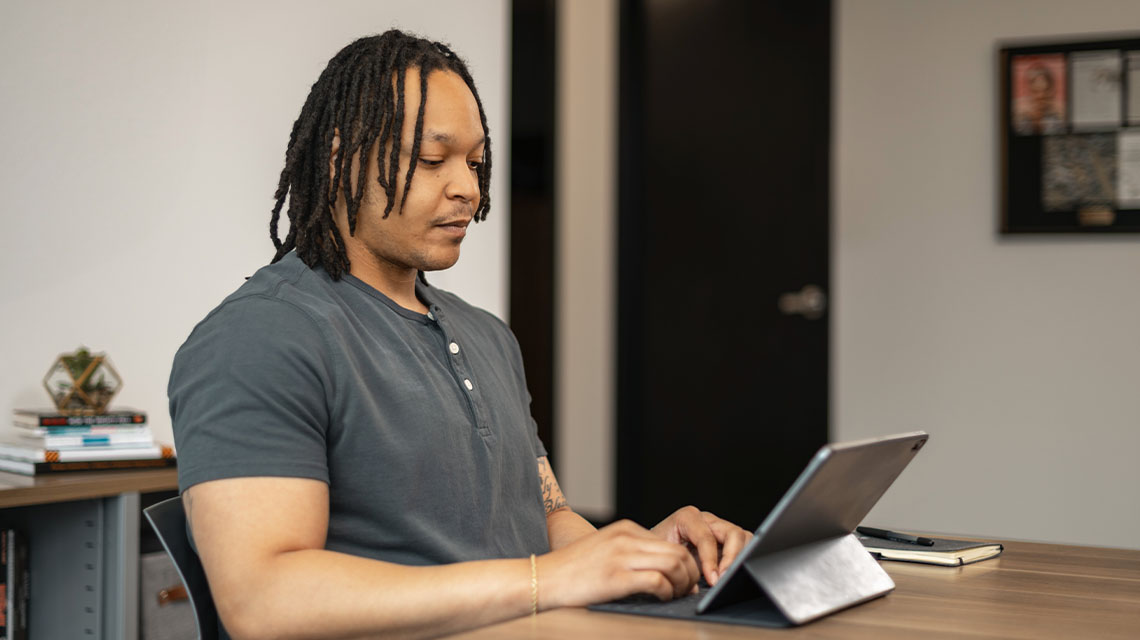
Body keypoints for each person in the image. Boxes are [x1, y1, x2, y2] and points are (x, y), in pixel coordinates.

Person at [169, 30, 750, 640]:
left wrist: (639, 556)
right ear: (341, 156)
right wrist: (544, 582)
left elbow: (546, 517)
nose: (468, 189)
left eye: (475, 163)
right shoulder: (259, 337)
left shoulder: (486, 335)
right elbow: (263, 600)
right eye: (431, 160)